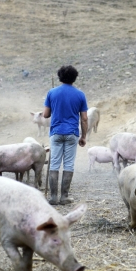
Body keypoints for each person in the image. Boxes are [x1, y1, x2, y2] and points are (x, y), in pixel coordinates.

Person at [43, 65, 88, 205]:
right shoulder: (80, 94)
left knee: (54, 164)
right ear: (75, 78)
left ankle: (53, 197)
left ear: (59, 77)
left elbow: (45, 115)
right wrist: (84, 136)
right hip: (72, 133)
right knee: (69, 164)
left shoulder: (52, 92)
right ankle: (64, 197)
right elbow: (84, 118)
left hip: (56, 132)